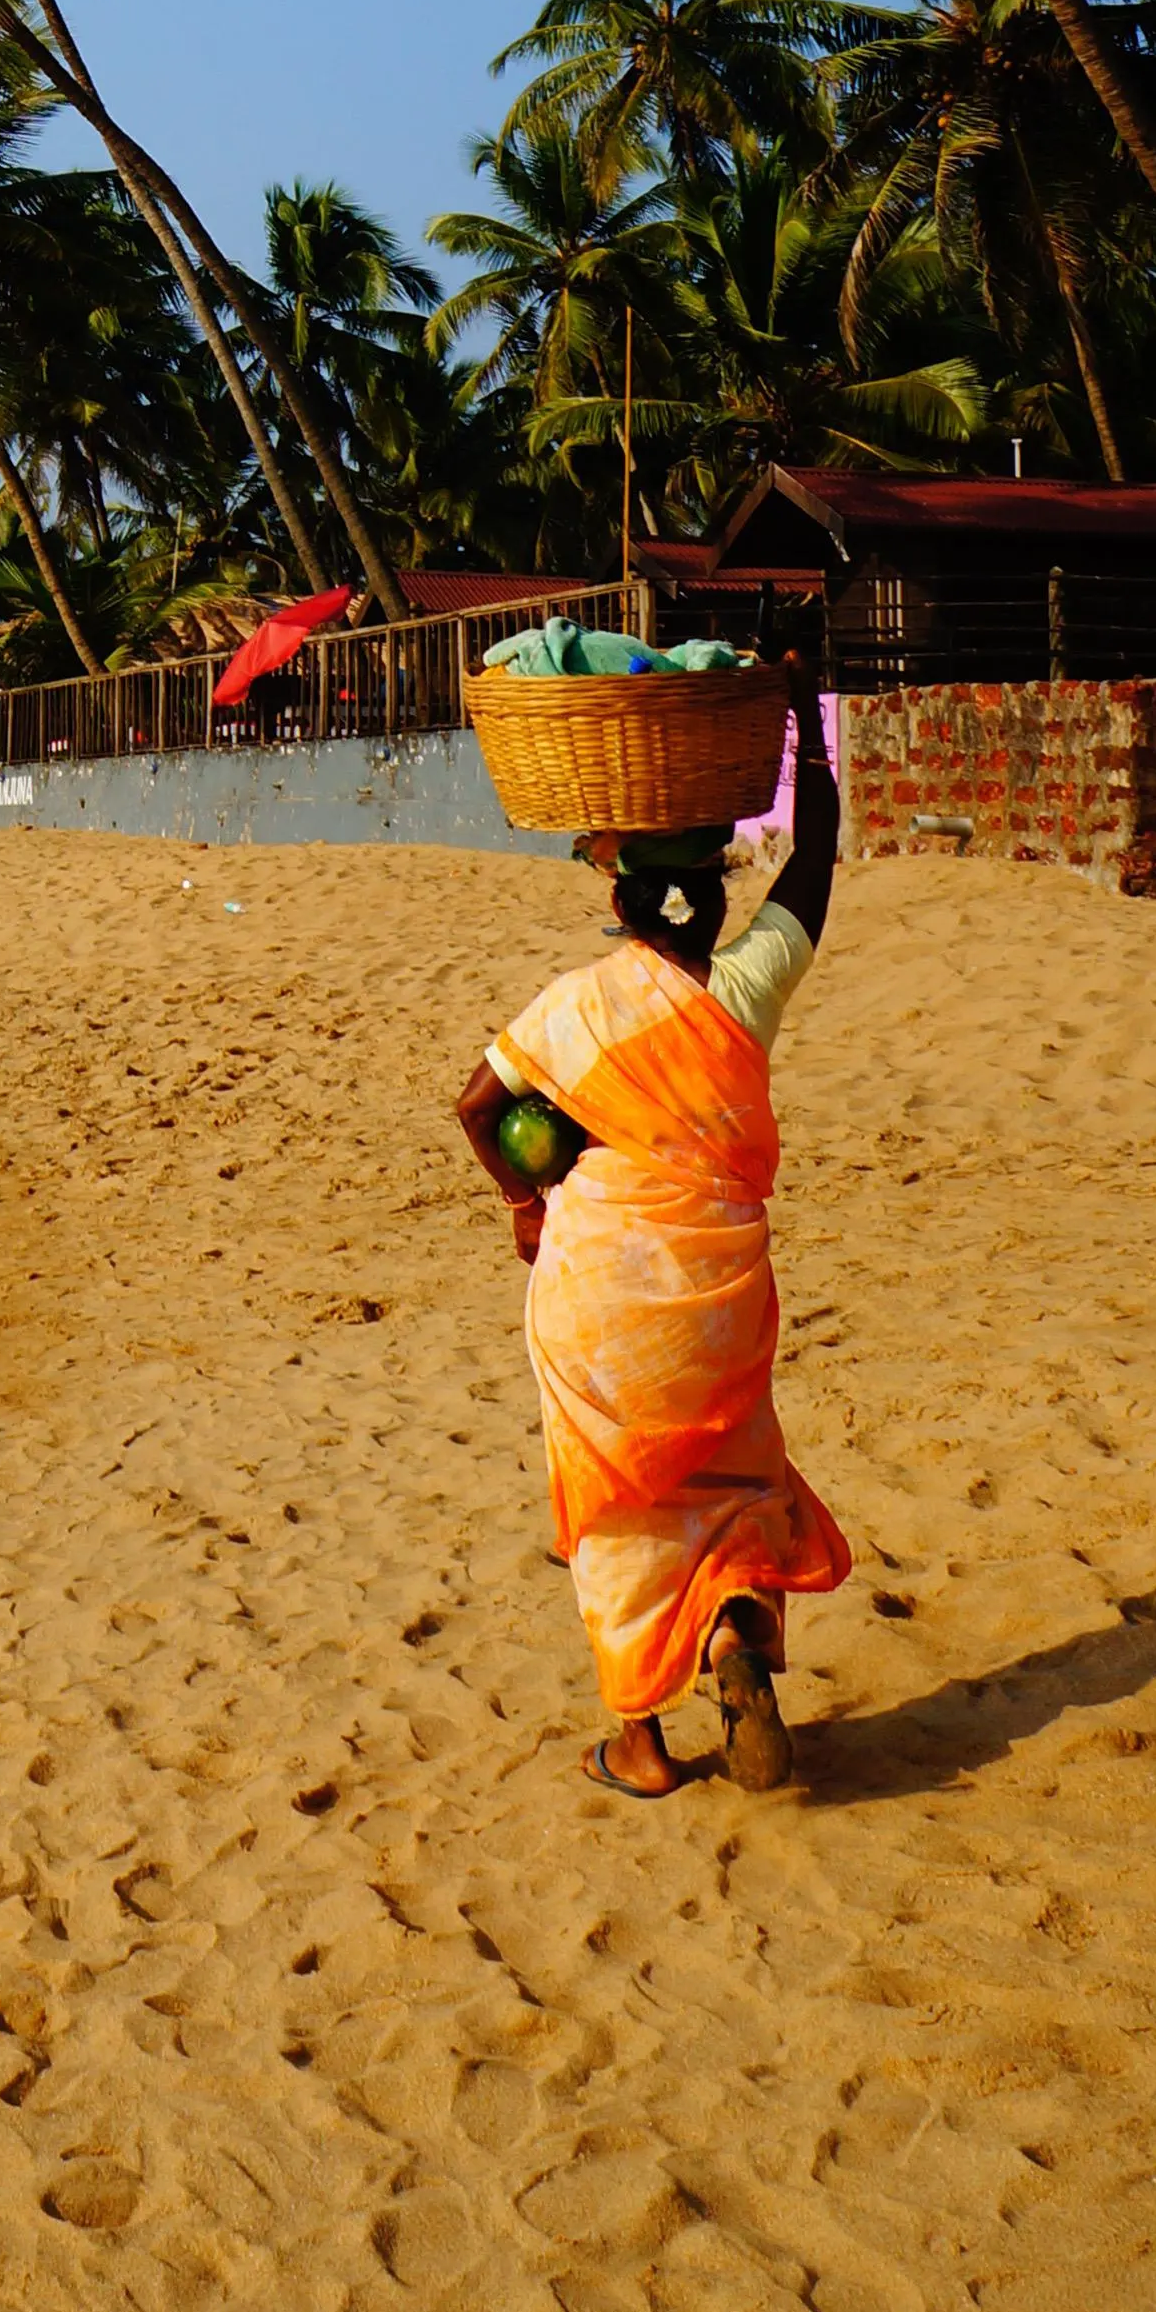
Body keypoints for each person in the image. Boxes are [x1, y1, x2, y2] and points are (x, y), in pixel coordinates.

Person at [452, 714, 848, 1800]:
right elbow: (815, 861)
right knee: (729, 1473)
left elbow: (478, 1108)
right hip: (717, 1293)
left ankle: (639, 1739)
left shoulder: (576, 1007)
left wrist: (524, 1203)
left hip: (598, 1293)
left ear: (621, 907)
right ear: (716, 904)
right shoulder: (745, 991)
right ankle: (730, 1627)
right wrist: (808, 733)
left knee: (622, 1508)